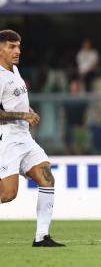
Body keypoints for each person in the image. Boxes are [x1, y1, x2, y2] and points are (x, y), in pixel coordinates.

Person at [0, 30, 65, 247]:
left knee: (47, 178)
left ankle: (41, 237)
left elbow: (12, 101)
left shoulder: (15, 70)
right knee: (8, 195)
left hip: (24, 137)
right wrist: (23, 115)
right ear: (0, 49)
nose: (17, 51)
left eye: (18, 46)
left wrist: (28, 109)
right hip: (7, 139)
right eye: (11, 46)